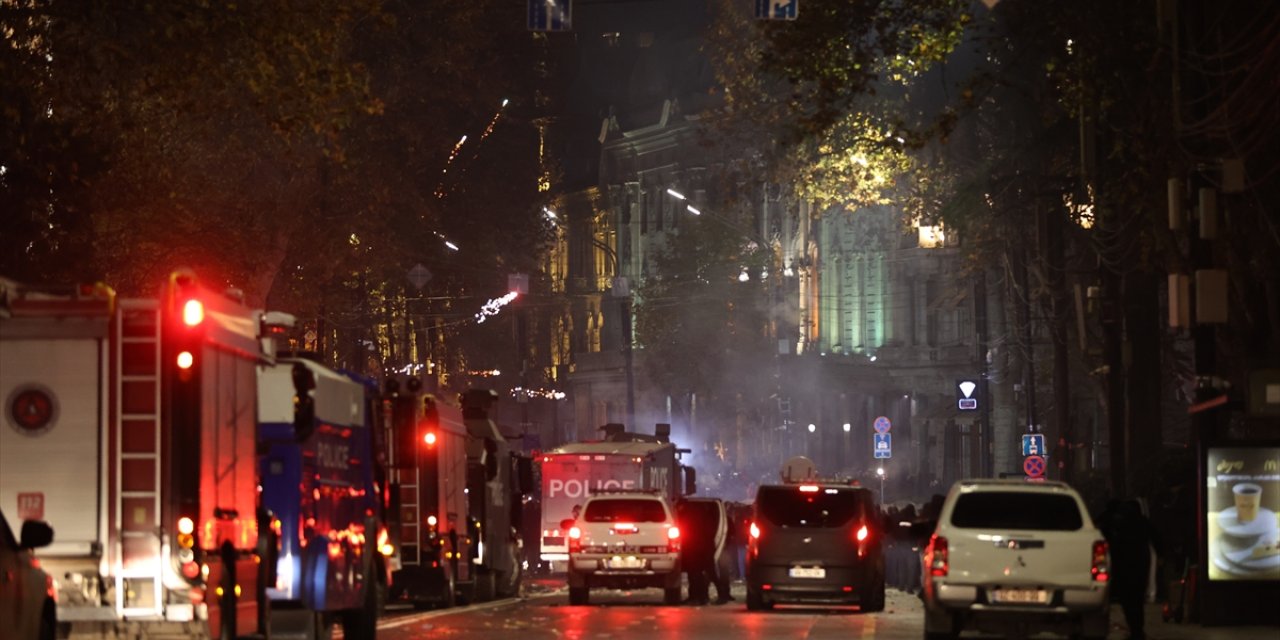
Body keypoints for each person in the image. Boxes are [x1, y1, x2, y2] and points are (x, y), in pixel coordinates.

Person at [1099, 498, 1162, 640]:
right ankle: (1137, 629)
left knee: (1127, 600)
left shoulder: (1116, 522)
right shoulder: (1142, 522)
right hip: (1140, 565)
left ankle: (1135, 629)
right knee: (1137, 600)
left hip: (1123, 567)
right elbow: (1157, 539)